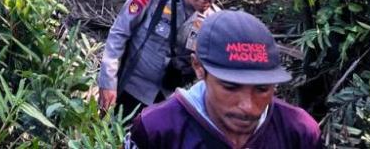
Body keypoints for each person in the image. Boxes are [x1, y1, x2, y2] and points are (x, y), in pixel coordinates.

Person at [125, 10, 322, 148]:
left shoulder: (299, 132)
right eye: (230, 87)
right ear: (199, 68)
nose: (248, 107)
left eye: (262, 89)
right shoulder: (156, 128)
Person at [99, 0, 225, 114]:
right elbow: (119, 34)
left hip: (171, 103)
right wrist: (108, 82)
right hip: (131, 90)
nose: (205, 0)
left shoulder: (215, 21)